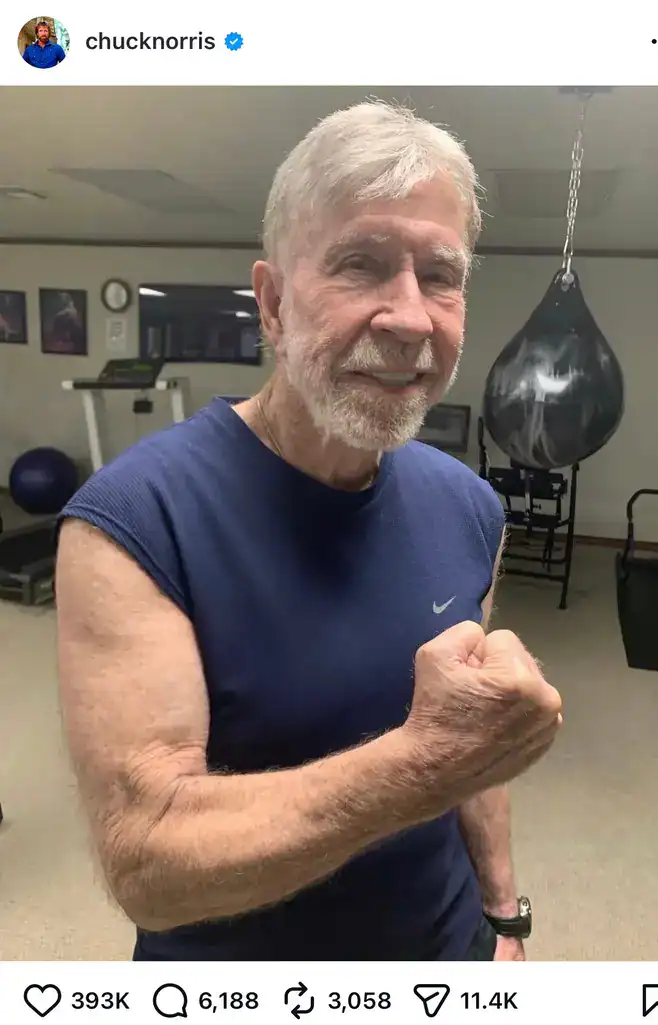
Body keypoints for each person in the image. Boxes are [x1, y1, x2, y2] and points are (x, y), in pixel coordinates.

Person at [55, 101, 563, 962]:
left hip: (449, 953)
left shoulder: (470, 505)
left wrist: (503, 914)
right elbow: (147, 861)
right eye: (361, 265)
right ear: (274, 302)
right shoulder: (132, 521)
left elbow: (469, 745)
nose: (410, 318)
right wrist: (421, 764)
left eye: (441, 276)